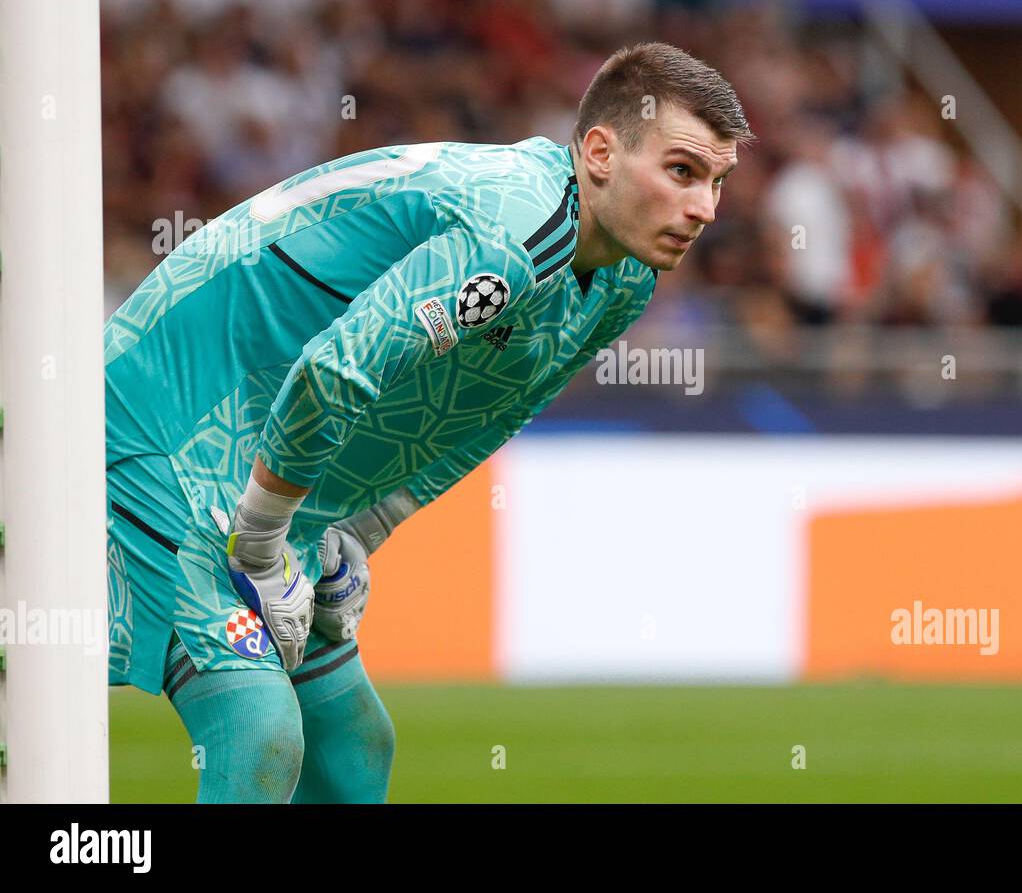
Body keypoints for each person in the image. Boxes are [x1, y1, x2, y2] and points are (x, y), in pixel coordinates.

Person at [104, 41, 752, 802]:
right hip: (163, 419)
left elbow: (485, 407)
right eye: (682, 171)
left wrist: (359, 527)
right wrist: (263, 536)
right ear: (601, 153)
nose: (705, 207)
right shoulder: (513, 231)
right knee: (257, 728)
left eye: (717, 181)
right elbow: (334, 369)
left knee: (352, 749)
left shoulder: (624, 277)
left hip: (253, 456)